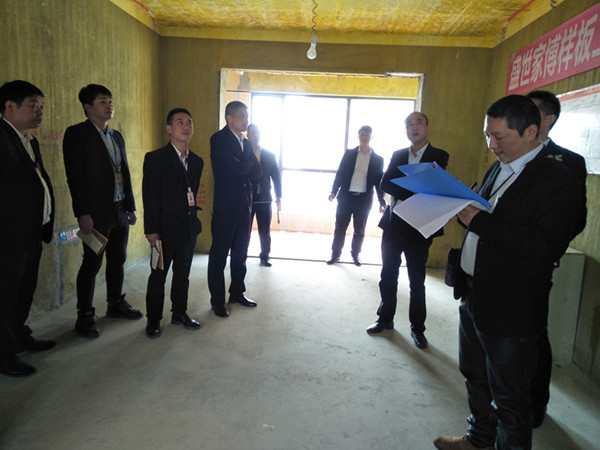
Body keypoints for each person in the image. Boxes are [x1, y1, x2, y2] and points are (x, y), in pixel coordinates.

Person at [434, 95, 584, 450]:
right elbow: (489, 217)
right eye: (488, 135)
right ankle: (478, 439)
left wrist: (479, 221)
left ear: (531, 132)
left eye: (500, 136)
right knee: (474, 376)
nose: (492, 144)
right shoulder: (498, 167)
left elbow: (545, 246)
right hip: (474, 292)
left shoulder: (558, 179)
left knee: (510, 396)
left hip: (512, 306)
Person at [526, 90, 587, 428]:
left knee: (534, 332)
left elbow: (576, 218)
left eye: (531, 110)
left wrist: (548, 249)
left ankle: (536, 403)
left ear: (548, 119)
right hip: (500, 258)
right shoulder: (510, 154)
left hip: (536, 260)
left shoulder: (569, 161)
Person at [63, 84, 142, 339]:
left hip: (119, 209)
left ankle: (115, 303)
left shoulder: (116, 136)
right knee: (92, 263)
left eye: (110, 101)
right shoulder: (77, 134)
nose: (109, 105)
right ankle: (85, 315)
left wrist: (130, 206)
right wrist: (82, 213)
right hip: (96, 214)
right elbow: (74, 177)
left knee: (118, 259)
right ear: (88, 107)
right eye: (102, 101)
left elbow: (124, 172)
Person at [366, 112, 449, 350]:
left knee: (416, 280)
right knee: (388, 274)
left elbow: (434, 187)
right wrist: (414, 189)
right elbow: (385, 183)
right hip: (394, 222)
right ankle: (385, 319)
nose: (414, 127)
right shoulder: (398, 154)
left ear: (427, 127)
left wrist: (405, 188)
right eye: (409, 124)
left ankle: (418, 328)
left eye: (418, 122)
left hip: (420, 226)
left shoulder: (439, 156)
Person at [0, 80, 55, 377]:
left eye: (42, 106)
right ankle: (4, 354)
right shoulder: (2, 139)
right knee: (5, 295)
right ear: (10, 107)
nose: (40, 111)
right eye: (33, 105)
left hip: (32, 231)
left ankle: (19, 335)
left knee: (24, 290)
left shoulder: (28, 140)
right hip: (8, 236)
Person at [142, 108, 204, 338]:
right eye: (179, 122)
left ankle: (179, 312)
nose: (186, 126)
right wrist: (151, 230)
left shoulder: (196, 161)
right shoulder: (155, 159)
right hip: (162, 230)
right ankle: (153, 320)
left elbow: (191, 194)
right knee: (158, 276)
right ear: (169, 128)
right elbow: (150, 196)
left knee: (182, 275)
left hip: (187, 229)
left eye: (189, 122)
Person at [207, 101, 262, 318]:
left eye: (247, 116)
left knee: (240, 254)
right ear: (229, 118)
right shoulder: (219, 139)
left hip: (245, 207)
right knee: (219, 256)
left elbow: (257, 171)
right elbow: (233, 170)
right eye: (242, 116)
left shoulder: (246, 143)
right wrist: (244, 165)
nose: (246, 120)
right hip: (226, 207)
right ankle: (217, 301)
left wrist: (242, 164)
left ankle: (237, 293)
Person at [327, 125, 385, 266]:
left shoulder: (378, 159)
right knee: (340, 228)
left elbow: (378, 182)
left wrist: (382, 201)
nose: (365, 137)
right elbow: (340, 173)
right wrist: (334, 191)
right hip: (346, 198)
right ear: (358, 136)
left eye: (368, 135)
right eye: (362, 134)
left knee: (359, 230)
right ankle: (335, 254)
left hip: (364, 200)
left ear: (372, 137)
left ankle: (355, 255)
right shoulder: (349, 154)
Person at [247, 123, 282, 267]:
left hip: (265, 199)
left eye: (257, 132)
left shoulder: (269, 155)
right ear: (248, 136)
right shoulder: (243, 153)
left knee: (265, 230)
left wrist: (279, 196)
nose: (256, 135)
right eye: (253, 133)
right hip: (246, 199)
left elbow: (276, 177)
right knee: (244, 230)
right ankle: (241, 255)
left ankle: (265, 256)